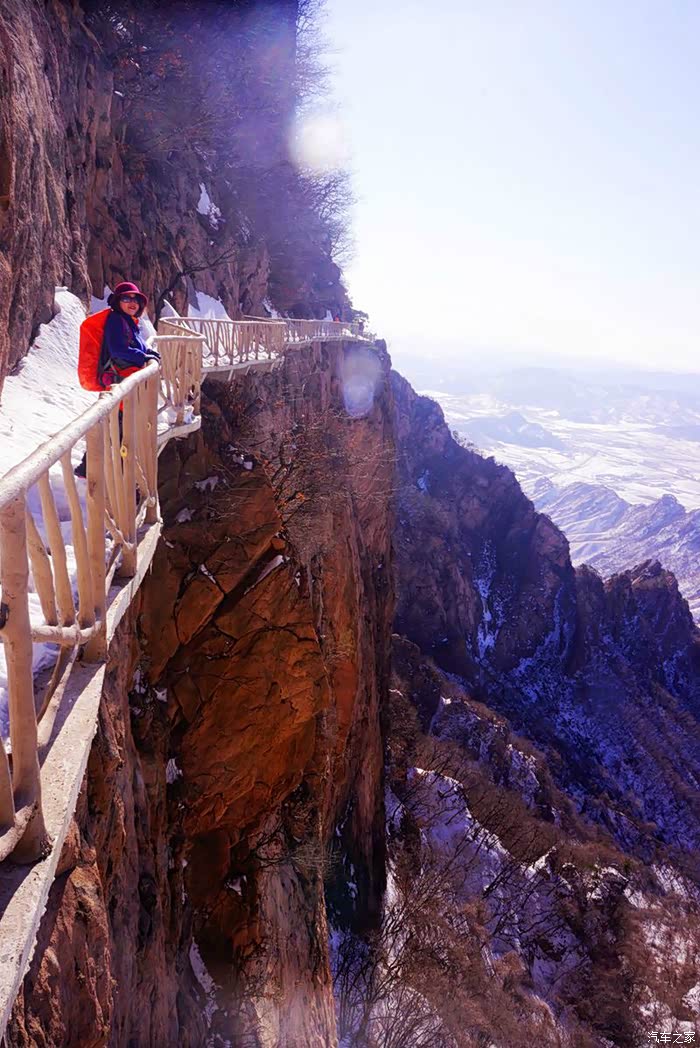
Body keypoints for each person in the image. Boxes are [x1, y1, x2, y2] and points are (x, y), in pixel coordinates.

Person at [75, 281, 160, 477]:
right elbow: (118, 349)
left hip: (124, 381)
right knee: (119, 426)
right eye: (126, 298)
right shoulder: (116, 320)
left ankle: (89, 467)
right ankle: (121, 476)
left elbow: (134, 346)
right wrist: (143, 357)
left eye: (136, 299)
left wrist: (148, 353)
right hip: (119, 381)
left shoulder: (128, 322)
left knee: (115, 424)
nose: (132, 302)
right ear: (117, 302)